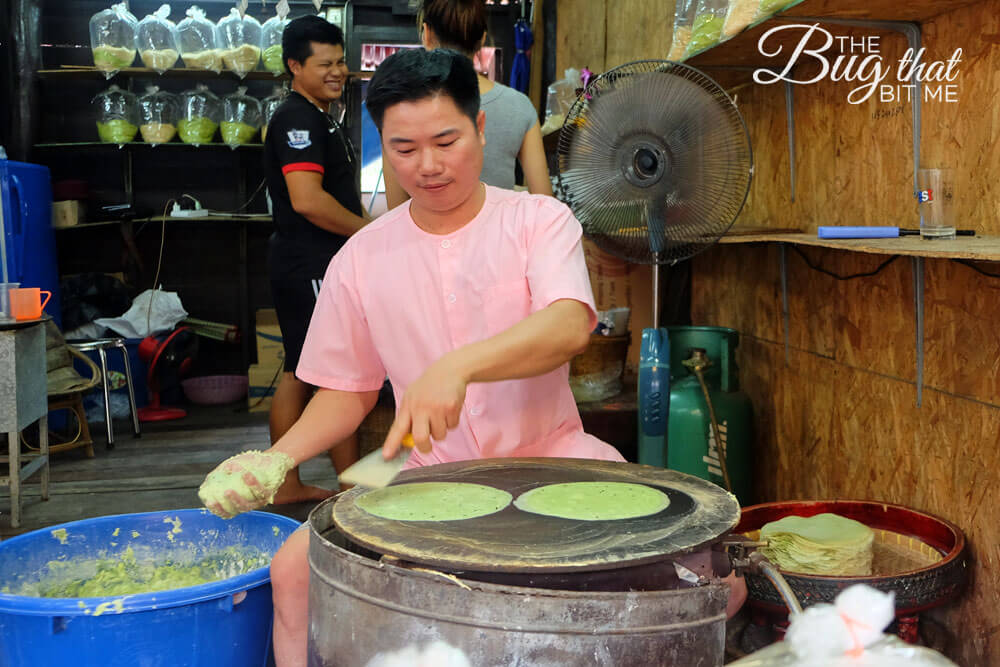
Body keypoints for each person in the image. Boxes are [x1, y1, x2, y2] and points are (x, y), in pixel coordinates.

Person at [200, 48, 625, 666]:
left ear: (480, 129)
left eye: (446, 141)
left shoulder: (539, 220)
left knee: (665, 562)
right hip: (416, 466)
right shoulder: (362, 257)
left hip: (547, 450)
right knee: (294, 569)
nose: (427, 166)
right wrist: (273, 461)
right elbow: (348, 390)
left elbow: (568, 326)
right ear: (381, 141)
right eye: (403, 149)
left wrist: (458, 365)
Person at [263, 16, 369, 504]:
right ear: (294, 66)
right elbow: (306, 199)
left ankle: (345, 484)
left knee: (318, 370)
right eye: (324, 64)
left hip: (322, 262)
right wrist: (368, 233)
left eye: (341, 61)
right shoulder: (297, 119)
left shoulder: (321, 116)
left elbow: (340, 196)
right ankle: (292, 483)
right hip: (308, 263)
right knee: (309, 373)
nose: (338, 71)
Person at [382, 0, 552, 209]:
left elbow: (396, 209)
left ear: (426, 33)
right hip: (503, 239)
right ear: (482, 38)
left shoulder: (400, 108)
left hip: (429, 239)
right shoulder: (519, 106)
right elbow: (546, 202)